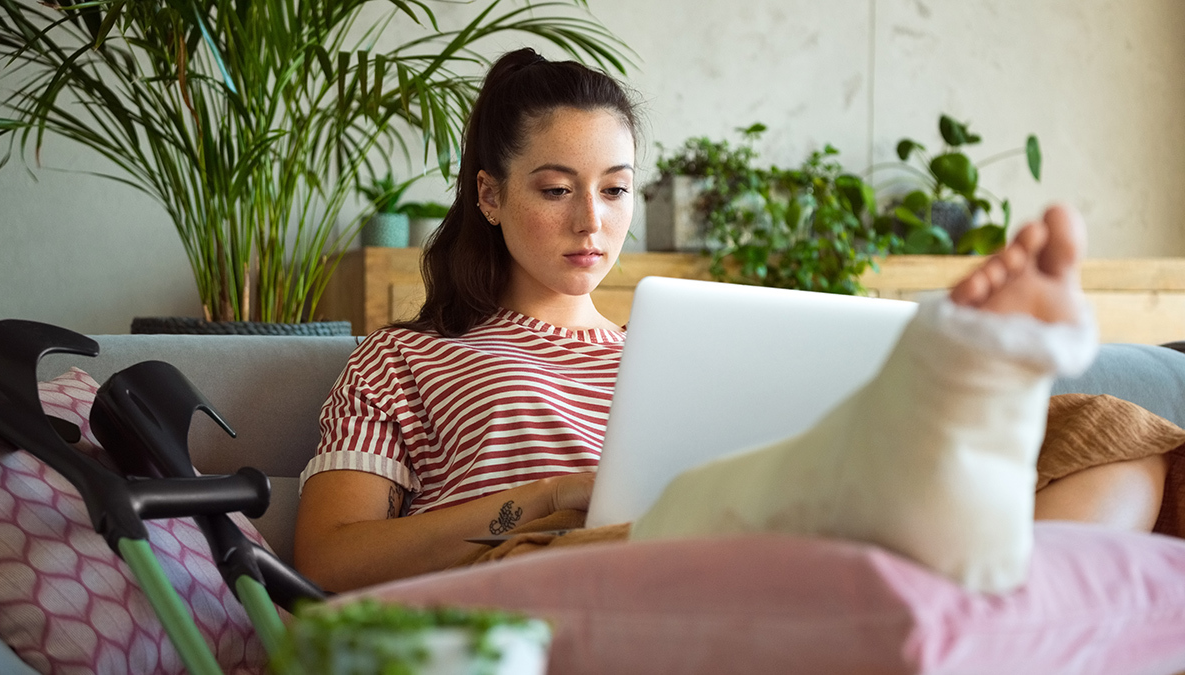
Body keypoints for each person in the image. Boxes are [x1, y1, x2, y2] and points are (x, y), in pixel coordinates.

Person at [293, 48, 1171, 593]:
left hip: (746, 535)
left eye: (615, 190)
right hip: (559, 569)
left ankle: (985, 601)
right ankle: (957, 431)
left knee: (1116, 436)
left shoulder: (672, 356)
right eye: (556, 190)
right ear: (488, 194)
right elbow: (327, 559)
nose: (590, 222)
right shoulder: (405, 359)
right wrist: (551, 497)